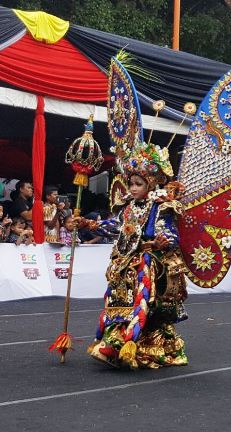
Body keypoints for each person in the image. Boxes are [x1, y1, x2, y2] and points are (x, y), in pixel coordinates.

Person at [87, 139, 190, 369]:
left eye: (138, 184)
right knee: (116, 299)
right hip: (125, 261)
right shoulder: (128, 206)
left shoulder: (162, 206)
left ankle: (128, 344)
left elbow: (170, 233)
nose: (132, 188)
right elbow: (116, 227)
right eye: (131, 183)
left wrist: (162, 241)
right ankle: (113, 342)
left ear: (150, 184)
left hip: (148, 261)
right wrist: (89, 224)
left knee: (140, 302)